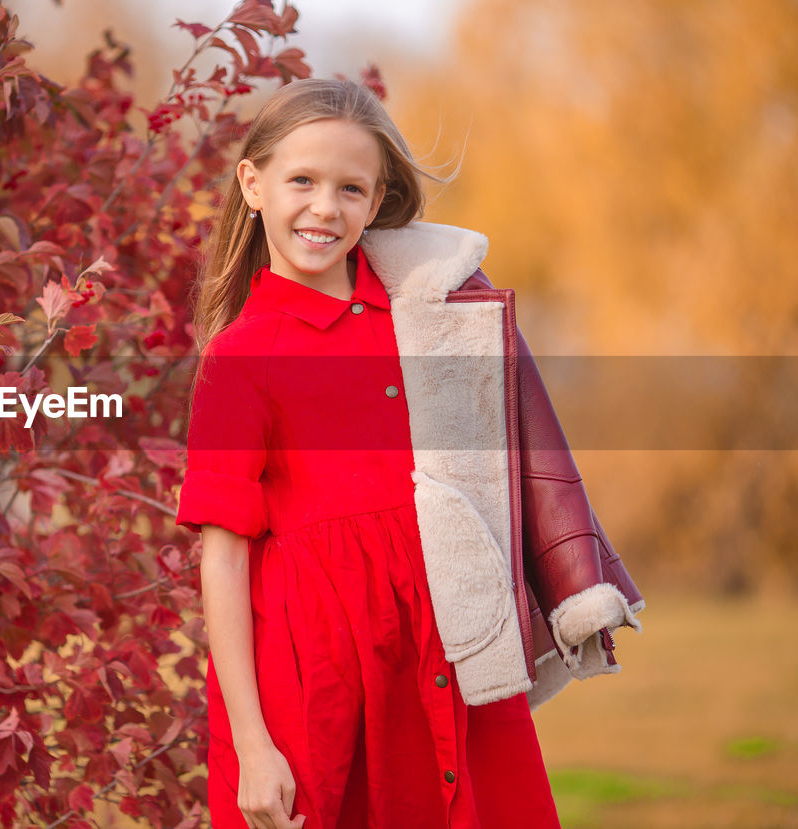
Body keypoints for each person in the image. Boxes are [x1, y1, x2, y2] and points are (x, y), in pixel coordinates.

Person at [176, 78, 645, 829]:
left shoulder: (429, 316)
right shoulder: (240, 358)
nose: (326, 208)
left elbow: (517, 452)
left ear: (377, 198)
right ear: (253, 183)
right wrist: (255, 745)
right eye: (303, 180)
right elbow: (223, 557)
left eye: (350, 188)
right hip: (317, 680)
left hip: (445, 648)